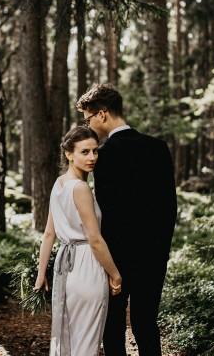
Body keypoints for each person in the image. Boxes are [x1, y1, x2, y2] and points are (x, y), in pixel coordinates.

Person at [77, 83, 178, 356]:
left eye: (87, 118)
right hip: (154, 255)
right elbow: (169, 208)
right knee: (146, 322)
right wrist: (160, 251)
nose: (88, 125)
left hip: (117, 257)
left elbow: (108, 212)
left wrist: (107, 263)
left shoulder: (105, 156)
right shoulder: (158, 148)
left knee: (113, 324)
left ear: (102, 114)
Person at [34, 126, 123, 356]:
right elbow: (95, 240)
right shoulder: (81, 188)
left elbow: (48, 234)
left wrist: (42, 273)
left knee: (71, 338)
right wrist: (115, 274)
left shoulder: (59, 183)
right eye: (85, 152)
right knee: (86, 344)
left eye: (95, 151)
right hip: (87, 269)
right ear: (69, 153)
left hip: (65, 269)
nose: (92, 157)